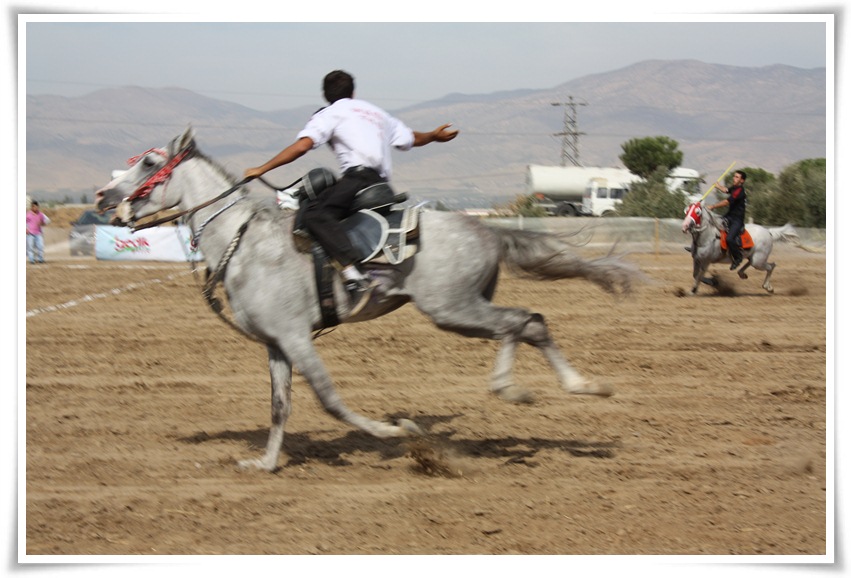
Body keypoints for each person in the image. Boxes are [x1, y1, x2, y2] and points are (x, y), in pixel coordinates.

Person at [244, 70, 458, 303]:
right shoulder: (376, 113)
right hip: (382, 183)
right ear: (353, 92)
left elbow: (303, 146)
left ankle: (352, 273)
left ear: (326, 95)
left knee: (315, 214)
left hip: (358, 179)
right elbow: (410, 138)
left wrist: (262, 168)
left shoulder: (330, 113)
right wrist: (433, 136)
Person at [707, 170, 748, 269]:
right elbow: (726, 190)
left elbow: (727, 202)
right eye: (734, 176)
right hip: (728, 216)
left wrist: (713, 206)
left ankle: (737, 258)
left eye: (737, 177)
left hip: (737, 220)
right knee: (711, 224)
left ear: (742, 180)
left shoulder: (740, 191)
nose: (734, 178)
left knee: (730, 238)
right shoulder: (734, 188)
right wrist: (718, 186)